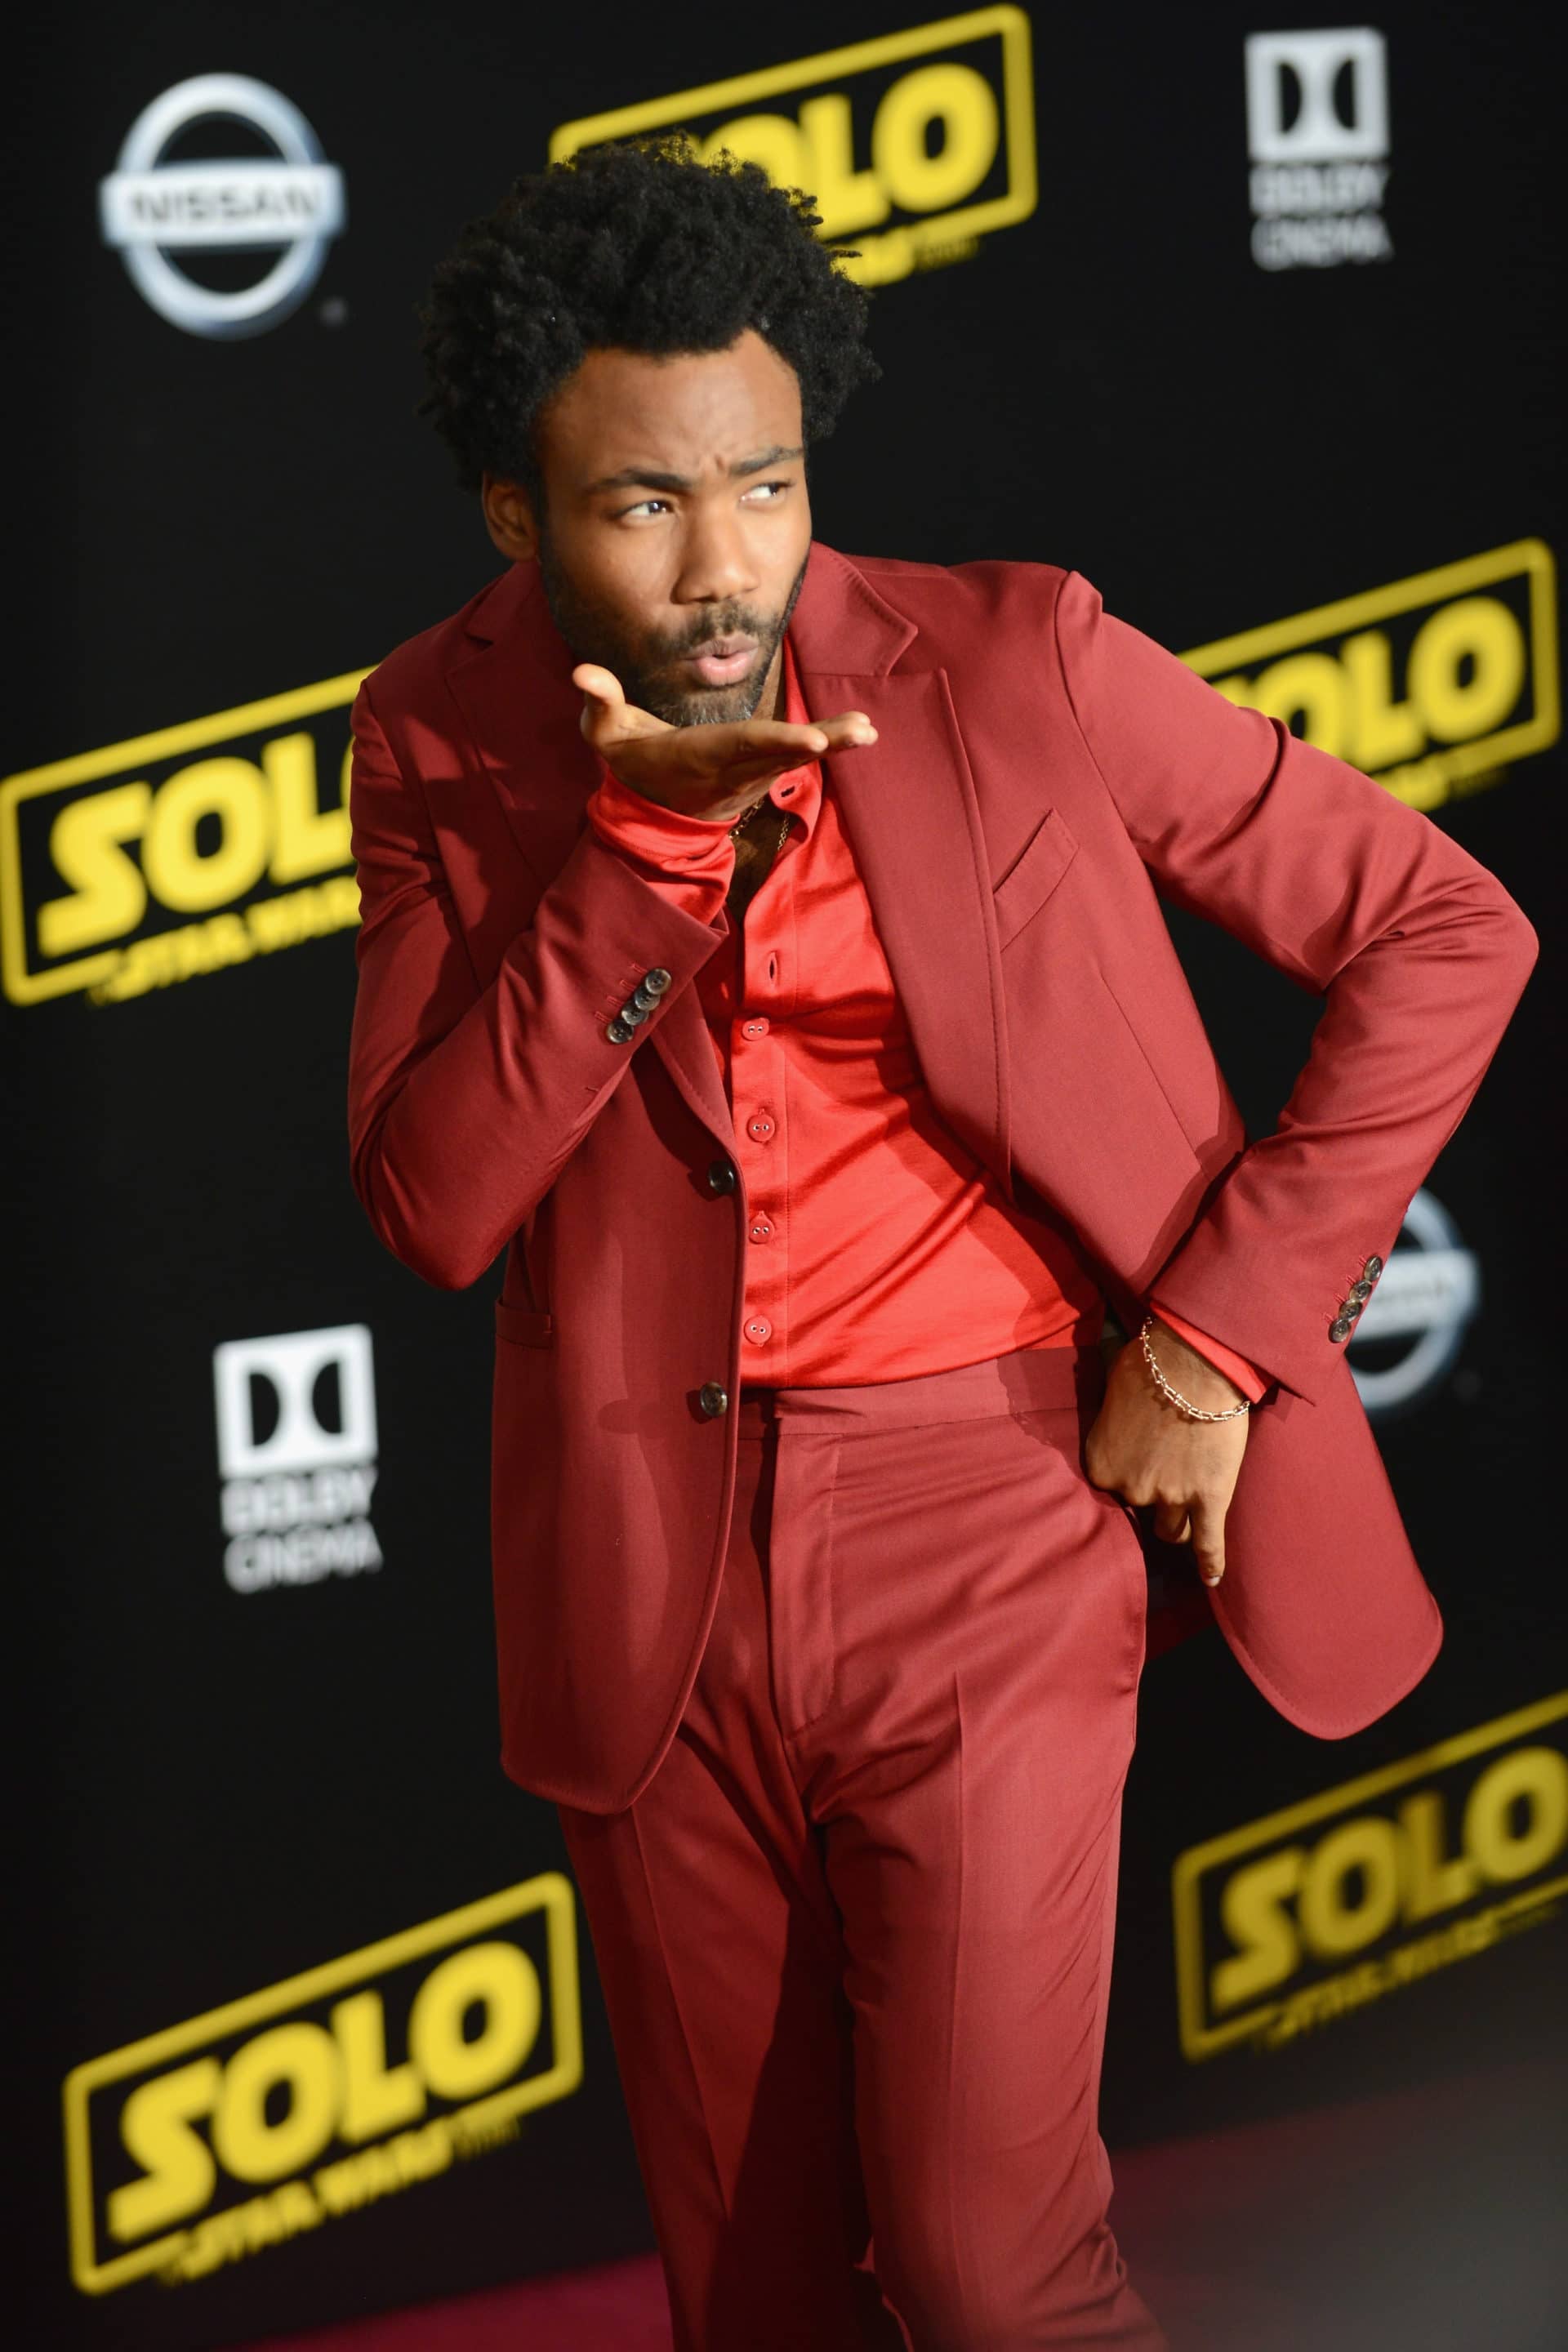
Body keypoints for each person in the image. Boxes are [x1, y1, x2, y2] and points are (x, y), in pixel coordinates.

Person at [346, 138, 1536, 2350]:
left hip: (991, 1522)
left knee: (998, 2279)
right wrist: (638, 863)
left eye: (769, 483)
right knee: (761, 2299)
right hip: (648, 1566)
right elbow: (434, 1201)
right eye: (644, 505)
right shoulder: (434, 725)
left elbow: (1444, 929)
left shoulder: (1010, 656)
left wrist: (1218, 1336)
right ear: (516, 515)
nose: (730, 566)